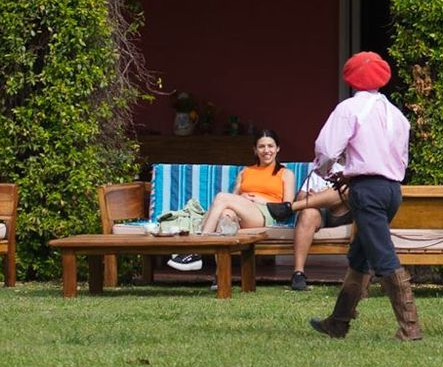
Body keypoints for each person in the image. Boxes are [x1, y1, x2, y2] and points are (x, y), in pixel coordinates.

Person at [307, 51, 421, 341]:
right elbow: (400, 159)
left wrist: (326, 170)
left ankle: (410, 328)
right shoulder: (397, 115)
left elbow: (327, 148)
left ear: (350, 79)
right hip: (392, 190)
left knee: (383, 255)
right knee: (360, 256)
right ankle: (338, 322)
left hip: (367, 191)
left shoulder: (349, 109)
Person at [167, 130, 294, 272]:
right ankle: (220, 276)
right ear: (255, 149)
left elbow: (287, 207)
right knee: (225, 215)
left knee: (222, 197)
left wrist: (262, 200)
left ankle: (196, 250)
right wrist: (240, 200)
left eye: (270, 146)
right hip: (243, 214)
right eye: (261, 146)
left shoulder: (286, 174)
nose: (266, 151)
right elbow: (232, 199)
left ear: (278, 148)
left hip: (265, 213)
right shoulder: (245, 171)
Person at [267, 172, 353, 291]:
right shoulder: (318, 171)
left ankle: (289, 208)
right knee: (308, 213)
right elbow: (300, 197)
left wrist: (324, 197)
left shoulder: (353, 166)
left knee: (342, 190)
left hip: (345, 211)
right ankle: (298, 273)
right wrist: (315, 199)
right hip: (319, 212)